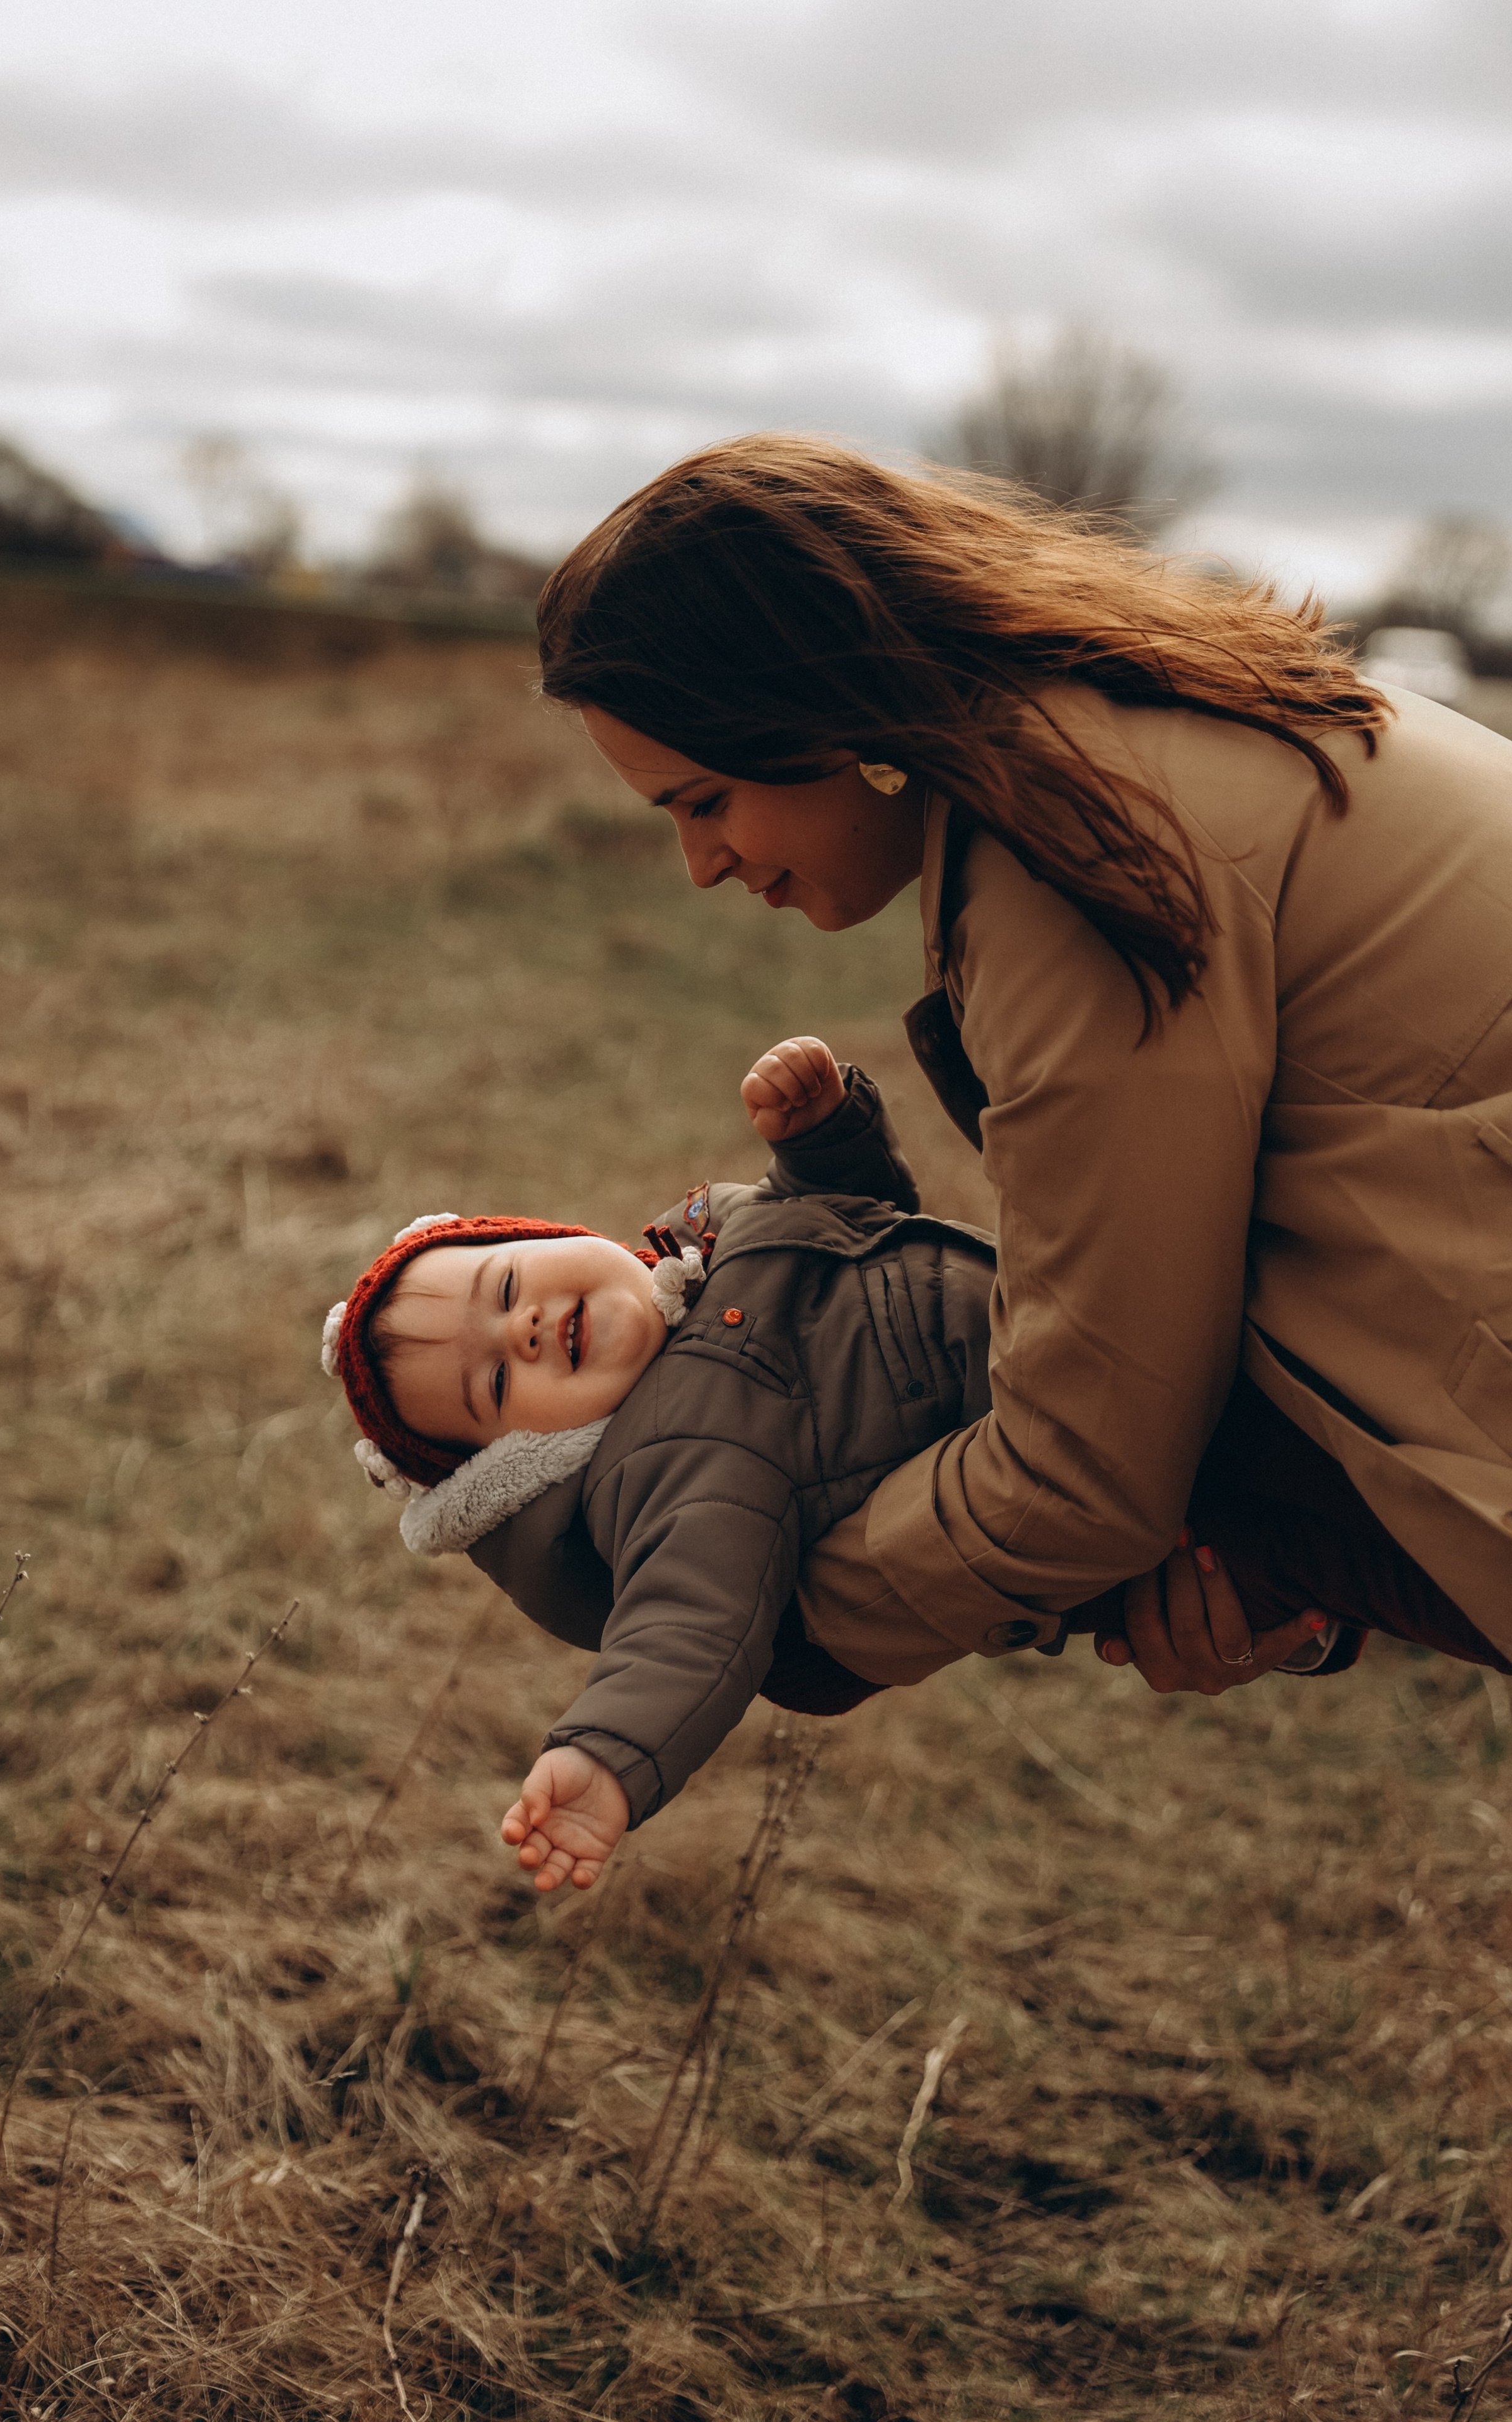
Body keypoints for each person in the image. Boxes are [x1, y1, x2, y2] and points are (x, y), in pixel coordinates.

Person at [533, 433, 1512, 1702]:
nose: (698, 864)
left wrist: (768, 1622)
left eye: (704, 799)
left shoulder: (1069, 852)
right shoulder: (1115, 718)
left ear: (818, 712)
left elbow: (1089, 1463)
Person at [323, 1040, 1496, 1894]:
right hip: (1189, 1489)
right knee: (1428, 1547)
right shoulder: (680, 1461)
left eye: (509, 1288)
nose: (523, 1331)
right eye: (492, 1385)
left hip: (1142, 1363)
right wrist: (609, 1757)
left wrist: (825, 1136)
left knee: (1420, 1418)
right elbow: (690, 1623)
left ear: (546, 1234)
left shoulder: (714, 1259)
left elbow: (859, 1221)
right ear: (523, 1463)